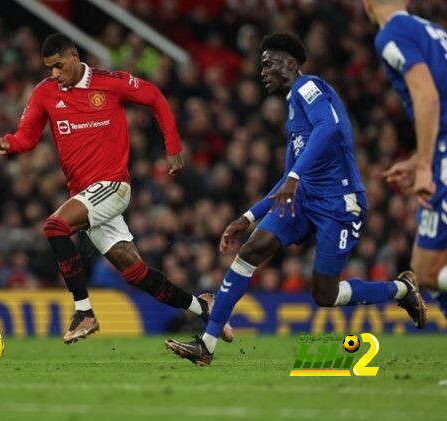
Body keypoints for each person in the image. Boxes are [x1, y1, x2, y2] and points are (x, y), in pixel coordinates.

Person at [165, 33, 427, 366]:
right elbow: (286, 177)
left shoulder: (309, 87)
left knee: (325, 295)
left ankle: (401, 290)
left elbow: (328, 127)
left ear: (290, 63)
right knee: (251, 251)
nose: (262, 72)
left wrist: (293, 179)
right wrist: (247, 217)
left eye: (268, 63)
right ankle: (207, 345)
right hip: (302, 199)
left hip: (339, 202)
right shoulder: (292, 111)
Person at [0, 33, 233, 344]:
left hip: (112, 186)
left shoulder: (109, 82)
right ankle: (204, 308)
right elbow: (27, 136)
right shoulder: (45, 93)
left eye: (59, 66)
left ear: (75, 56)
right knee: (138, 275)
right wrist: (8, 143)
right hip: (85, 196)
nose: (54, 74)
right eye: (49, 68)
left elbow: (155, 97)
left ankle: (84, 313)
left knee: (55, 227)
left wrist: (172, 145)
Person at [363, 0, 447, 318]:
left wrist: (425, 165)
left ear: (367, 4)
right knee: (429, 269)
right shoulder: (434, 31)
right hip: (440, 149)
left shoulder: (391, 34)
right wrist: (417, 159)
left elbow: (427, 95)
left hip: (443, 158)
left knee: (425, 271)